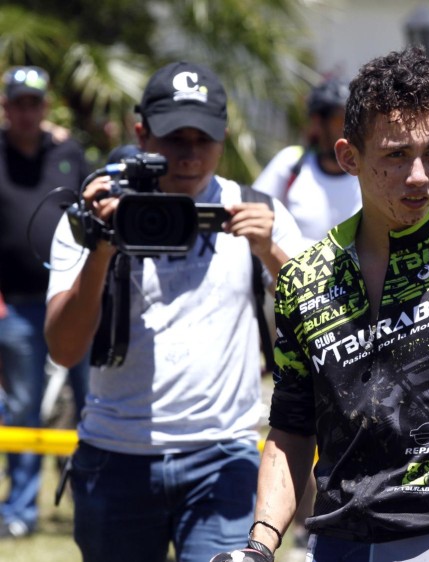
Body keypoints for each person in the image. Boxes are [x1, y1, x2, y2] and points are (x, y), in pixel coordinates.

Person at [210, 45, 429, 562]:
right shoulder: (303, 280)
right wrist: (259, 545)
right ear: (349, 156)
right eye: (396, 154)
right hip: (330, 542)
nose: (419, 175)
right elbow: (290, 425)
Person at [44, 61, 305, 562]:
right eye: (172, 138)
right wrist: (103, 245)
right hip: (115, 454)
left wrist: (271, 250)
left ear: (223, 137)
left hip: (221, 456)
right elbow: (64, 348)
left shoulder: (254, 210)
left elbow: (322, 324)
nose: (188, 155)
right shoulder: (94, 215)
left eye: (202, 138)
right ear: (141, 132)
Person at [0, 65, 90, 539]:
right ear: (6, 107)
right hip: (15, 306)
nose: (27, 112)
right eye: (18, 102)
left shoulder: (68, 152)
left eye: (35, 103)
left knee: (93, 404)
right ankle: (20, 509)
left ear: (44, 108)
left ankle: (94, 498)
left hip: (75, 301)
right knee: (21, 410)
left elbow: (95, 214)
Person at [253, 77, 362, 245]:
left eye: (356, 120)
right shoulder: (291, 163)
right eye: (342, 120)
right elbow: (253, 212)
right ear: (318, 122)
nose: (350, 129)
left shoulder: (370, 173)